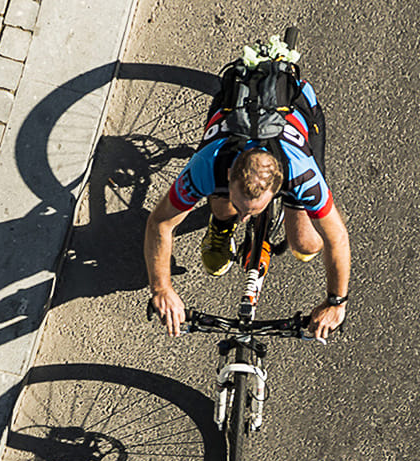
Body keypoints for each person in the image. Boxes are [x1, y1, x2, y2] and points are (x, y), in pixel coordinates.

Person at [143, 77, 350, 340]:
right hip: (230, 115)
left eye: (251, 211)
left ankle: (265, 206)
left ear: (279, 189)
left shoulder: (302, 176)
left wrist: (336, 302)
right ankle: (220, 222)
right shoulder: (208, 166)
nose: (244, 219)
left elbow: (337, 237)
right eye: (241, 206)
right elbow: (160, 222)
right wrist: (161, 288)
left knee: (306, 244)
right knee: (220, 202)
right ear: (230, 175)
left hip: (298, 110)